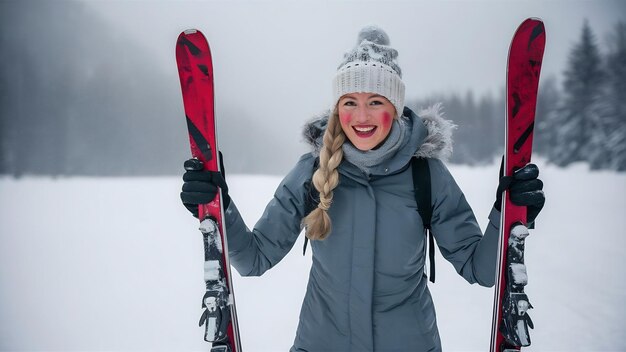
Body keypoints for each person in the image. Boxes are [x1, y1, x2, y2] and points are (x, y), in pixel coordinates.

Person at [180, 26, 545, 352]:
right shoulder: (312, 171)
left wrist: (508, 212)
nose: (362, 116)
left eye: (375, 102)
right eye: (350, 103)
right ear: (338, 109)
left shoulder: (426, 175)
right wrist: (218, 205)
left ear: (395, 107)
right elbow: (255, 258)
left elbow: (479, 269)